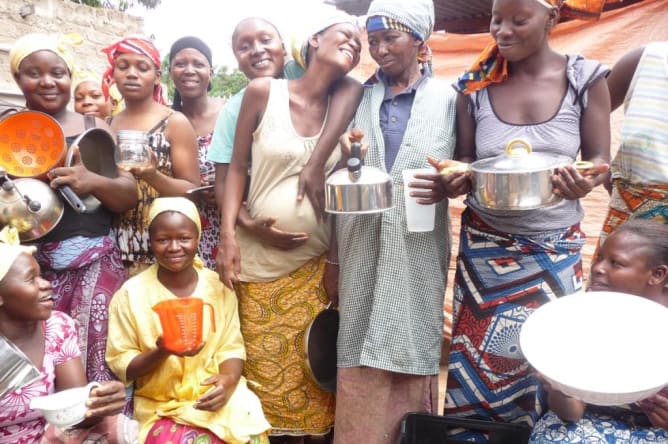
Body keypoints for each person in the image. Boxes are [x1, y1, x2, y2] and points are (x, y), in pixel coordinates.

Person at [440, 0, 611, 439]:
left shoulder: (585, 79)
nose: (503, 30)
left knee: (549, 367)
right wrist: (455, 180)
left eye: (519, 19)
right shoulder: (473, 85)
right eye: (498, 19)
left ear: (551, 19)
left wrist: (585, 181)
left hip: (554, 252)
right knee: (476, 369)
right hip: (485, 255)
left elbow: (599, 161)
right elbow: (465, 160)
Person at [218, 16, 362, 443]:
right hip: (260, 266)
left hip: (315, 267)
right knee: (265, 383)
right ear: (313, 40)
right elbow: (236, 169)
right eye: (345, 36)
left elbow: (353, 86)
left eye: (359, 42)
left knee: (314, 381)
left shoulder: (348, 98)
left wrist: (335, 260)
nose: (354, 44)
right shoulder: (263, 92)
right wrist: (229, 232)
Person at [328, 0, 457, 442]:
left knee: (411, 339)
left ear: (420, 44)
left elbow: (465, 168)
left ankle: (409, 434)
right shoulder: (357, 97)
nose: (380, 50)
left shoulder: (449, 99)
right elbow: (333, 172)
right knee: (358, 343)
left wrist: (448, 184)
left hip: (417, 244)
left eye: (391, 39)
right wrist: (334, 260)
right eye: (374, 40)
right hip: (359, 244)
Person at [8, 33, 138, 383]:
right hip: (31, 276)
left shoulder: (94, 129)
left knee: (100, 358)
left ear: (70, 77)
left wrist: (90, 181)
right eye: (34, 73)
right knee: (39, 366)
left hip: (95, 264)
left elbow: (129, 194)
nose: (48, 82)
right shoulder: (7, 135)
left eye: (58, 73)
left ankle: (101, 430)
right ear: (18, 79)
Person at [105, 197, 270, 444]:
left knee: (249, 433)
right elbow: (122, 363)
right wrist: (162, 351)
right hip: (161, 404)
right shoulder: (131, 294)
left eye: (184, 238)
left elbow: (231, 346)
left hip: (216, 396)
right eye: (162, 239)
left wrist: (227, 382)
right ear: (150, 242)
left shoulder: (218, 287)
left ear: (198, 237)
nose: (174, 247)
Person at [208, 17, 363, 258]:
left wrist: (316, 165)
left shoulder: (310, 75)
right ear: (236, 60)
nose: (257, 50)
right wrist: (248, 225)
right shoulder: (239, 106)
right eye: (244, 47)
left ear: (283, 46)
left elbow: (352, 88)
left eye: (265, 40)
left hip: (319, 255)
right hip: (261, 250)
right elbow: (227, 177)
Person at [529, 219, 668, 443]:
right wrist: (561, 390)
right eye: (600, 257)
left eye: (616, 263)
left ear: (658, 274)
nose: (598, 268)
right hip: (587, 425)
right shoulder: (582, 318)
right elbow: (571, 413)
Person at [0, 226, 136, 443]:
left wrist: (100, 404)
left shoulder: (56, 327)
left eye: (41, 276)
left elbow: (75, 415)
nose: (46, 284)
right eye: (30, 279)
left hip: (47, 438)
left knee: (113, 426)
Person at [102, 36, 200, 276]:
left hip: (165, 249)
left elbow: (192, 190)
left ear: (157, 76)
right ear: (113, 75)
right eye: (123, 67)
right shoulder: (106, 125)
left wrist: (152, 176)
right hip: (113, 249)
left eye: (142, 68)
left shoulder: (174, 122)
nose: (132, 74)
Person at [596, 41, 668, 249]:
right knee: (617, 279)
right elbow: (584, 117)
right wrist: (602, 165)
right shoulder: (644, 60)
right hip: (632, 223)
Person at [168, 36, 226, 270]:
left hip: (230, 224)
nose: (189, 70)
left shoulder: (230, 113)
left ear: (210, 72)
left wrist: (225, 187)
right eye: (180, 63)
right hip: (183, 230)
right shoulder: (166, 120)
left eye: (198, 64)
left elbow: (252, 163)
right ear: (170, 71)